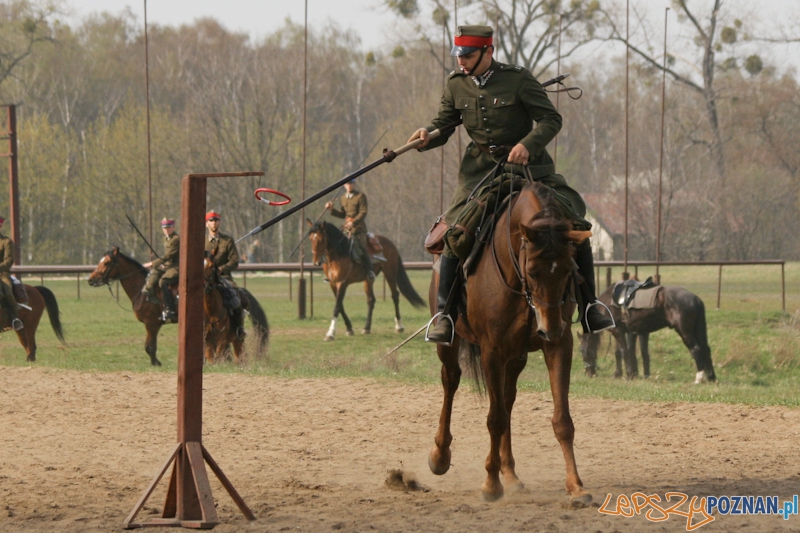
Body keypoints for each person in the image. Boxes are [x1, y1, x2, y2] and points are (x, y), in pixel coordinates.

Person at [407, 25, 614, 344]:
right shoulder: (456, 83)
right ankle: (444, 316)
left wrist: (527, 145)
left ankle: (590, 307)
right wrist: (426, 136)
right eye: (459, 55)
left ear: (488, 52)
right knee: (455, 233)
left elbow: (551, 119)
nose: (462, 61)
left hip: (529, 170)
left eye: (468, 55)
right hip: (480, 173)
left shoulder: (518, 79)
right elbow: (444, 125)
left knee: (574, 223)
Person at [205, 211, 246, 340]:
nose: (214, 223)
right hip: (205, 278)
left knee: (235, 298)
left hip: (223, 277)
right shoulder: (201, 242)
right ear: (207, 224)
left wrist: (222, 269)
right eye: (211, 221)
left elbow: (234, 261)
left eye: (216, 220)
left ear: (219, 222)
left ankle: (238, 328)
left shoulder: (227, 241)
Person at [325, 179, 376, 281]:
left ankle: (370, 271)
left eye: (351, 183)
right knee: (335, 244)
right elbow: (343, 214)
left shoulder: (360, 196)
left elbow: (363, 212)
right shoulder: (343, 198)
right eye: (347, 184)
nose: (349, 186)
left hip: (359, 228)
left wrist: (353, 222)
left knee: (362, 246)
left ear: (354, 184)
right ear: (344, 185)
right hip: (346, 228)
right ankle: (331, 272)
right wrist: (332, 210)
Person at [142, 218, 180, 323]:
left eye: (168, 227)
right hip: (167, 265)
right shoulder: (166, 238)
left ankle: (170, 309)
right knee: (154, 273)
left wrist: (152, 263)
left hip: (176, 266)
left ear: (173, 227)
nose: (166, 230)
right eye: (164, 228)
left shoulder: (176, 239)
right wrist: (159, 265)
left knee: (163, 281)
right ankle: (150, 294)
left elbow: (169, 256)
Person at [0, 216, 23, 331]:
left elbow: (9, 260)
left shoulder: (6, 242)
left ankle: (15, 318)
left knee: (8, 293)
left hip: (2, 274)